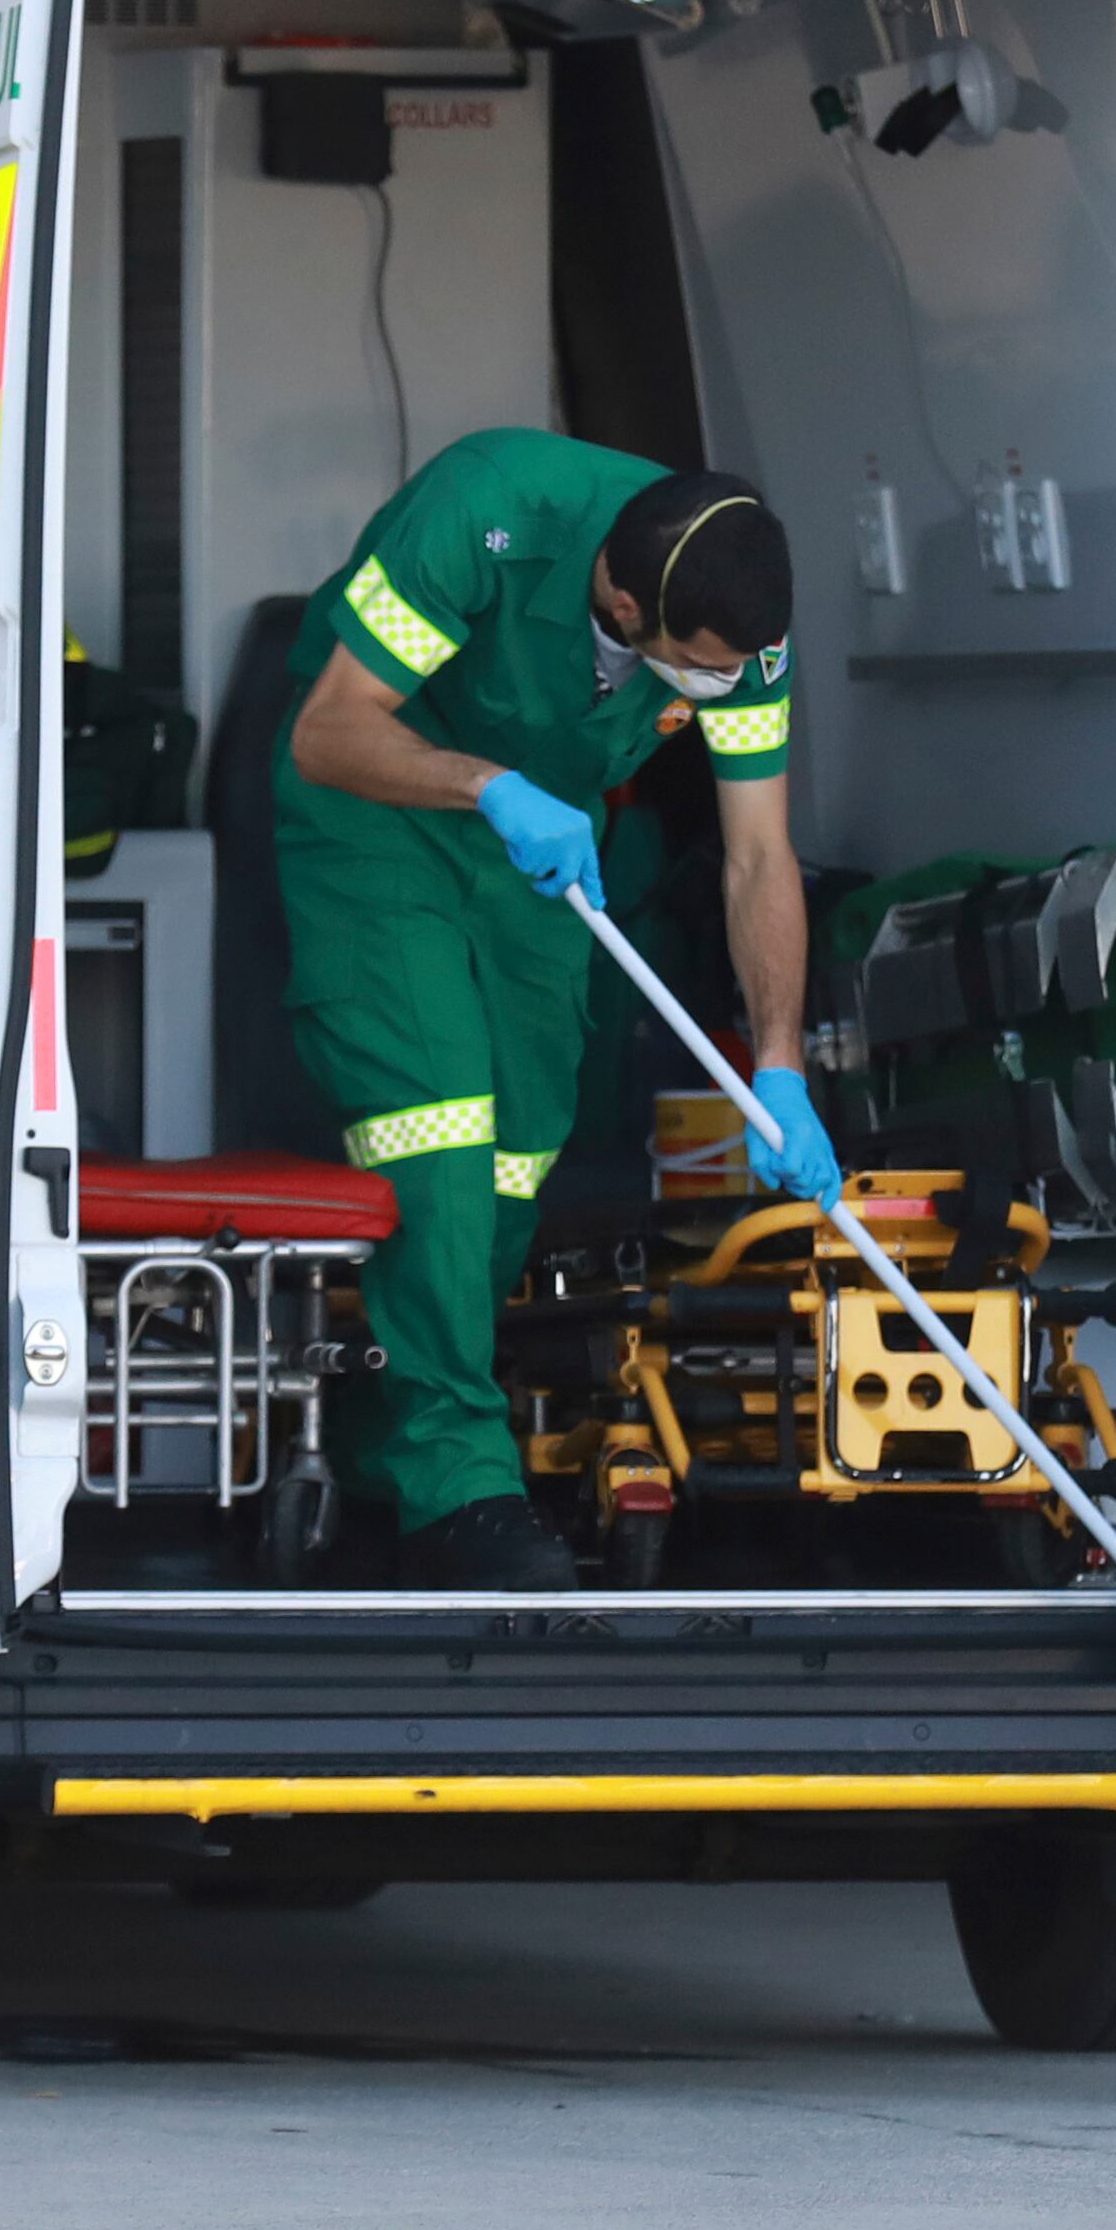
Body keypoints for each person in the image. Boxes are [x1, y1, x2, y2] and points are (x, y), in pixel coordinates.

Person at [276, 436, 839, 1591]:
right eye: (693, 668)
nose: (720, 687)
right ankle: (457, 1482)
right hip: (382, 814)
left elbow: (754, 854)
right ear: (620, 602)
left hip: (538, 850)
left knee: (521, 1147)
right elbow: (326, 728)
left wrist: (778, 1063)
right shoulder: (486, 514)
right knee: (438, 1123)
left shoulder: (737, 623)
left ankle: (399, 1436)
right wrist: (483, 784)